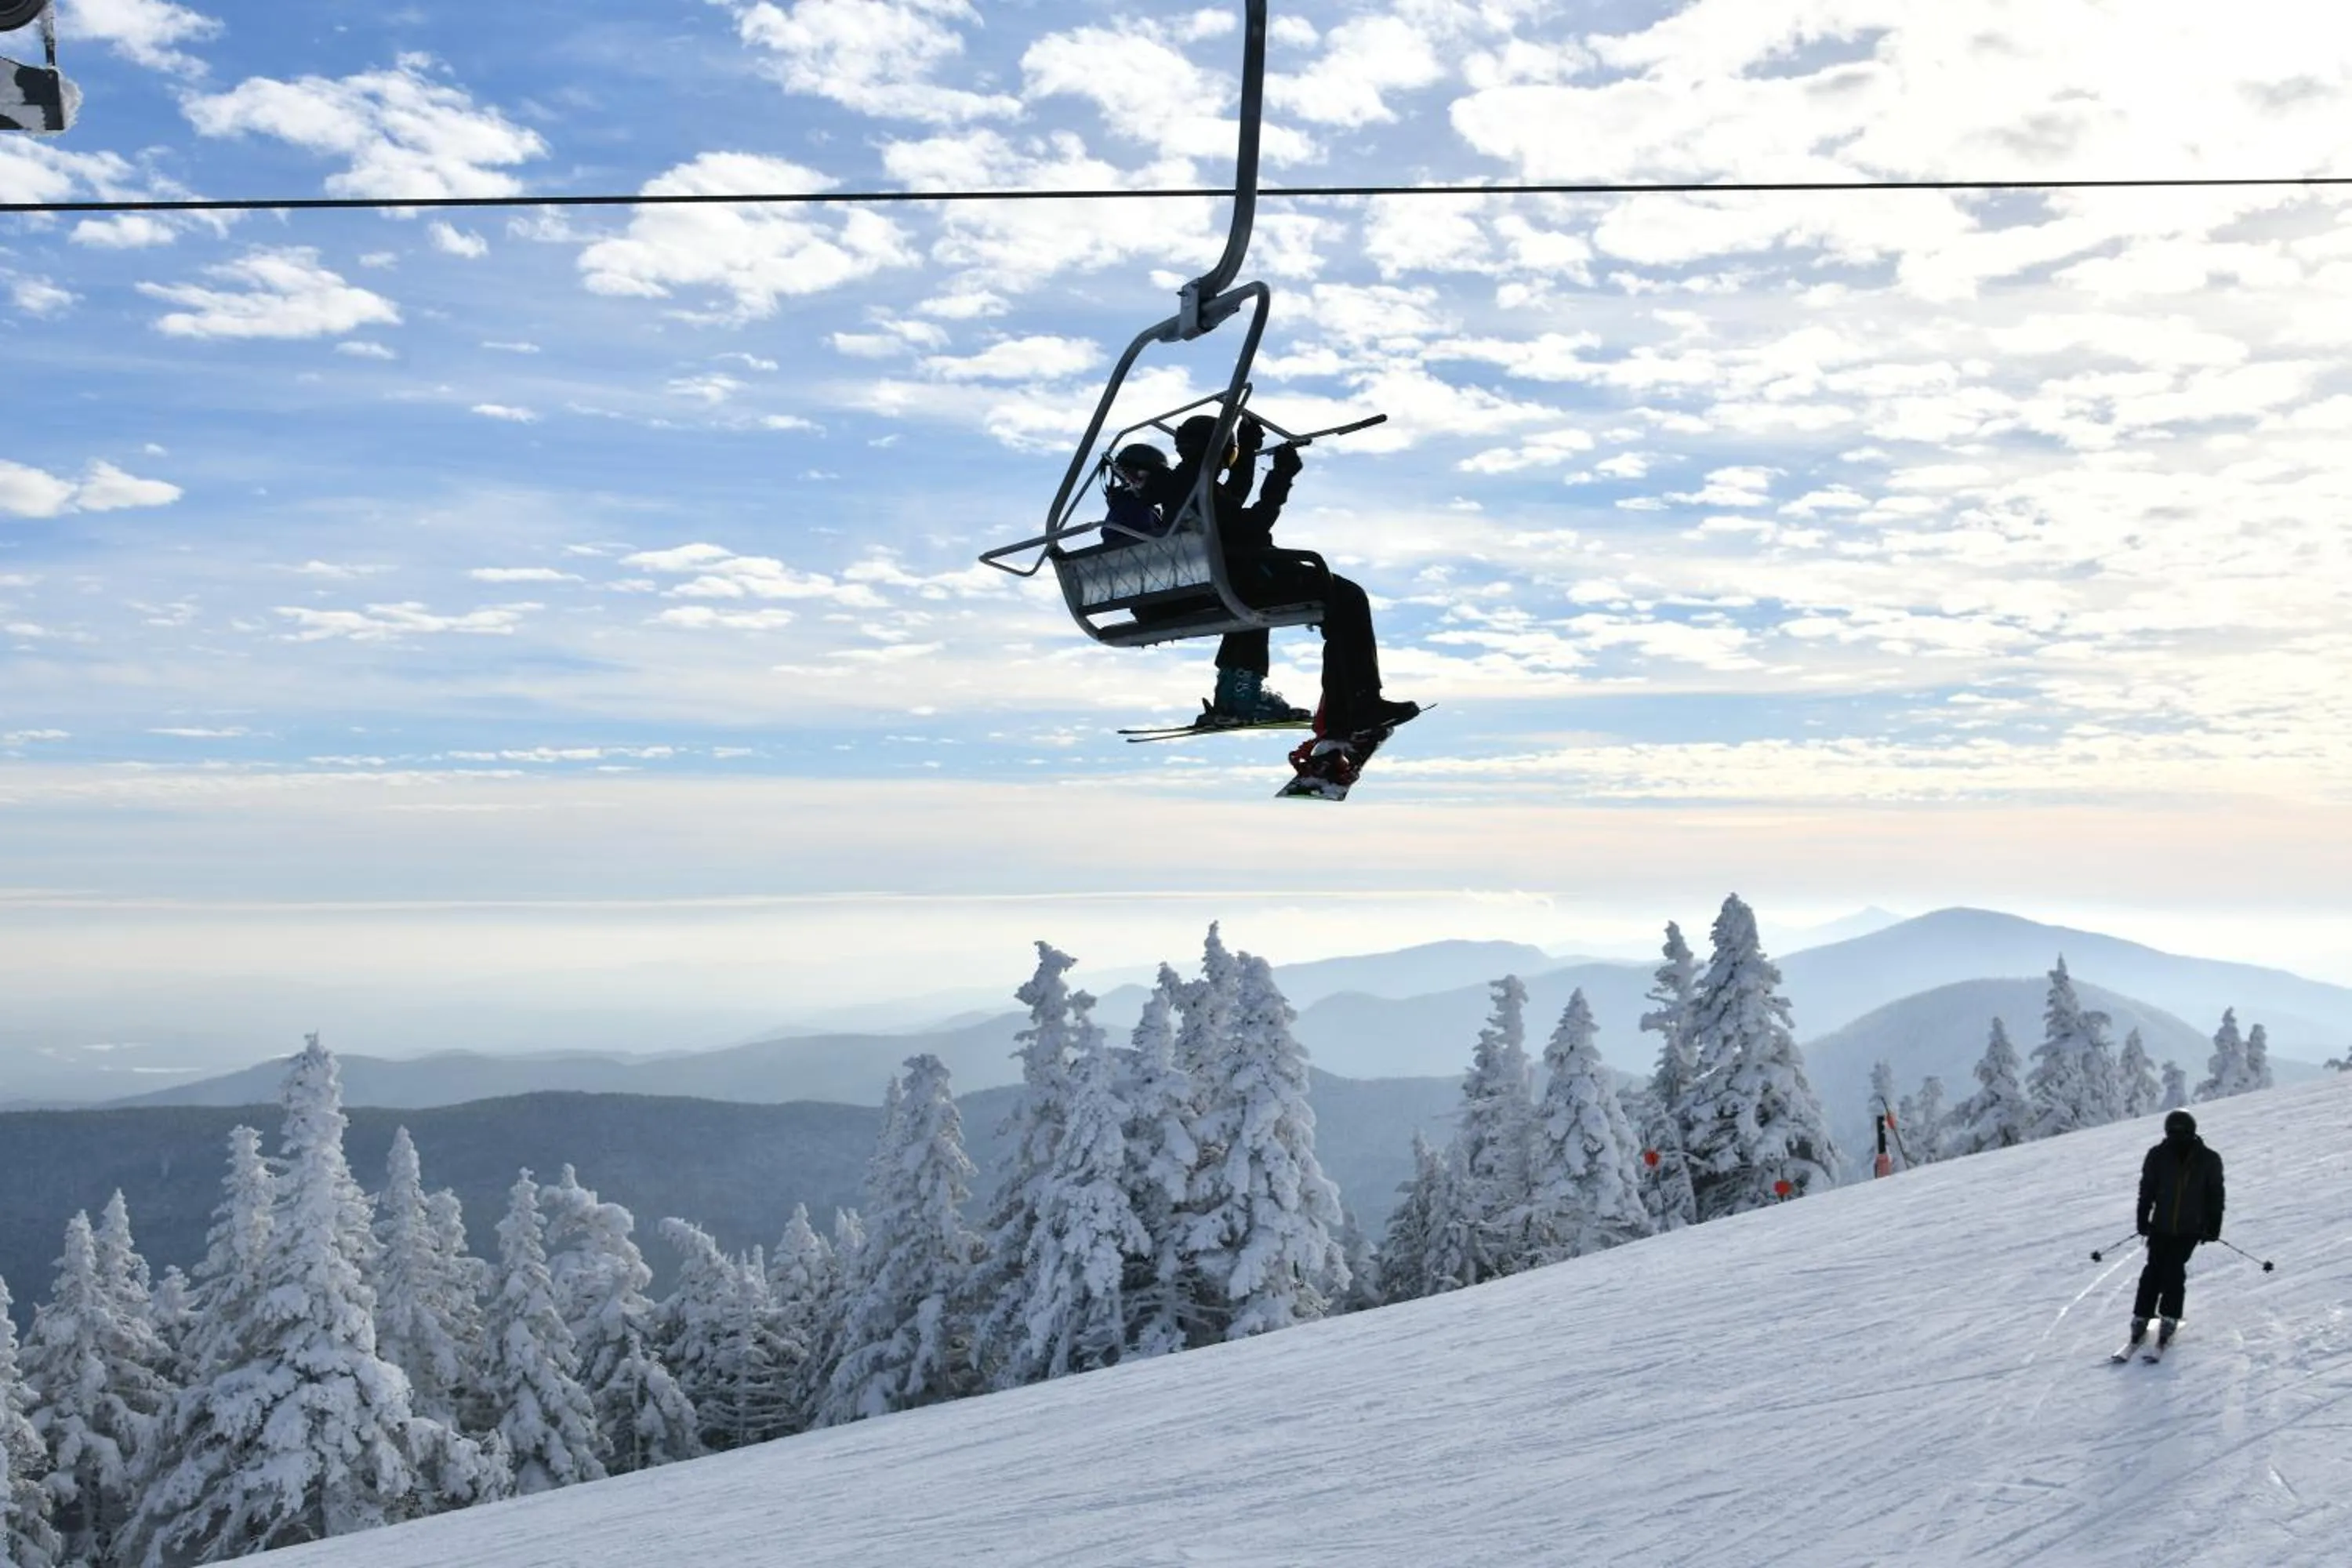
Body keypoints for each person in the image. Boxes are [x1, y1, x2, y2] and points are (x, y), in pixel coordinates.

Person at [1155, 410, 1417, 738]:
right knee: (1347, 597)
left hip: (1221, 583)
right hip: (1247, 576)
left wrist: (1248, 449)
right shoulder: (1199, 491)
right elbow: (1252, 525)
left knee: (1270, 603)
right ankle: (1358, 704)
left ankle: (1238, 695)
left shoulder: (1184, 487)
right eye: (1230, 453)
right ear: (1219, 452)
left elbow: (1233, 495)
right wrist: (1281, 478)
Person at [2129, 1108, 2224, 1351]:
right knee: (2153, 1270)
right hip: (2161, 1226)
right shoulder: (2157, 1156)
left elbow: (2215, 1194)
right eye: (2173, 1133)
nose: (2177, 1138)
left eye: (2182, 1133)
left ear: (2192, 1132)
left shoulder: (2208, 1159)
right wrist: (2142, 1217)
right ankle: (2142, 1316)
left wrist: (2214, 1225)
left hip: (2190, 1228)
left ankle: (2169, 1316)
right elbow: (2147, 1189)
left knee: (2172, 1268)